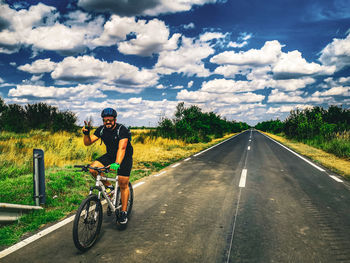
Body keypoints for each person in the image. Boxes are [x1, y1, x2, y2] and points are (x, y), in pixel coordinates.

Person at [82, 108, 133, 224]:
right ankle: (110, 189)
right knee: (92, 168)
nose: (108, 123)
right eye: (105, 121)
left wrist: (117, 164)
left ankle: (124, 213)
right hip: (110, 155)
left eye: (110, 120)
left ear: (115, 119)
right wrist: (86, 134)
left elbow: (122, 148)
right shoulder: (101, 130)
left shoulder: (122, 130)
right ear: (103, 120)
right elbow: (87, 142)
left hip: (124, 157)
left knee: (123, 183)